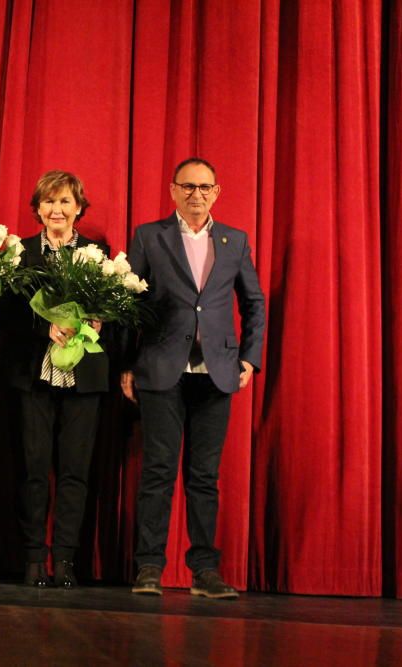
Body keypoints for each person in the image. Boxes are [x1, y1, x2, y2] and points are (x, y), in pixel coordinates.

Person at [122, 157, 265, 599]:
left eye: (205, 187)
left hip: (216, 373)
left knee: (204, 477)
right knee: (159, 473)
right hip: (162, 370)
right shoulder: (150, 236)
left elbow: (254, 303)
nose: (196, 194)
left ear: (217, 192)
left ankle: (205, 571)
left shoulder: (235, 241)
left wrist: (249, 360)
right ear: (173, 191)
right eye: (188, 186)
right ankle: (149, 567)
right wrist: (127, 365)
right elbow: (128, 304)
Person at [1, 170, 110, 588]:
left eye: (65, 201)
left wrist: (98, 323)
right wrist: (42, 328)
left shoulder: (99, 254)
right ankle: (33, 559)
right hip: (33, 374)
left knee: (74, 471)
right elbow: (5, 316)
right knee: (32, 469)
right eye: (49, 202)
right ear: (38, 209)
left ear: (79, 208)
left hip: (84, 376)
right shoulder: (19, 252)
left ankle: (65, 559)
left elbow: (117, 310)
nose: (57, 210)